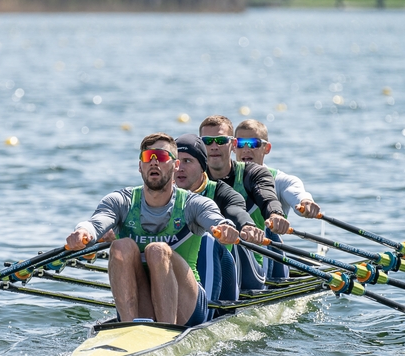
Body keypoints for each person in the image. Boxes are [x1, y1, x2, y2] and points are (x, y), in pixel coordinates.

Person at [65, 133, 239, 326]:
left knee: (157, 250)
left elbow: (215, 219)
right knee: (121, 246)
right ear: (140, 166)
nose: (154, 163)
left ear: (176, 165)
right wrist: (83, 231)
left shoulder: (193, 204)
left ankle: (166, 331)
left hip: (187, 306)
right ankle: (129, 328)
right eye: (148, 157)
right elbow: (96, 222)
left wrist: (225, 228)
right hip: (143, 300)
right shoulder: (121, 200)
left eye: (162, 157)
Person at [198, 115, 289, 285]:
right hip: (206, 261)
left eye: (220, 140)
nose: (214, 146)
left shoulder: (253, 173)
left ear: (233, 145)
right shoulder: (191, 177)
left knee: (233, 237)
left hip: (252, 265)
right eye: (207, 141)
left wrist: (275, 214)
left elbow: (267, 196)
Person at [234, 119, 321, 219]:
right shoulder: (222, 178)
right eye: (240, 143)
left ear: (267, 148)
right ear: (234, 147)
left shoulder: (280, 181)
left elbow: (295, 192)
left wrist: (305, 201)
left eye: (253, 143)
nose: (245, 149)